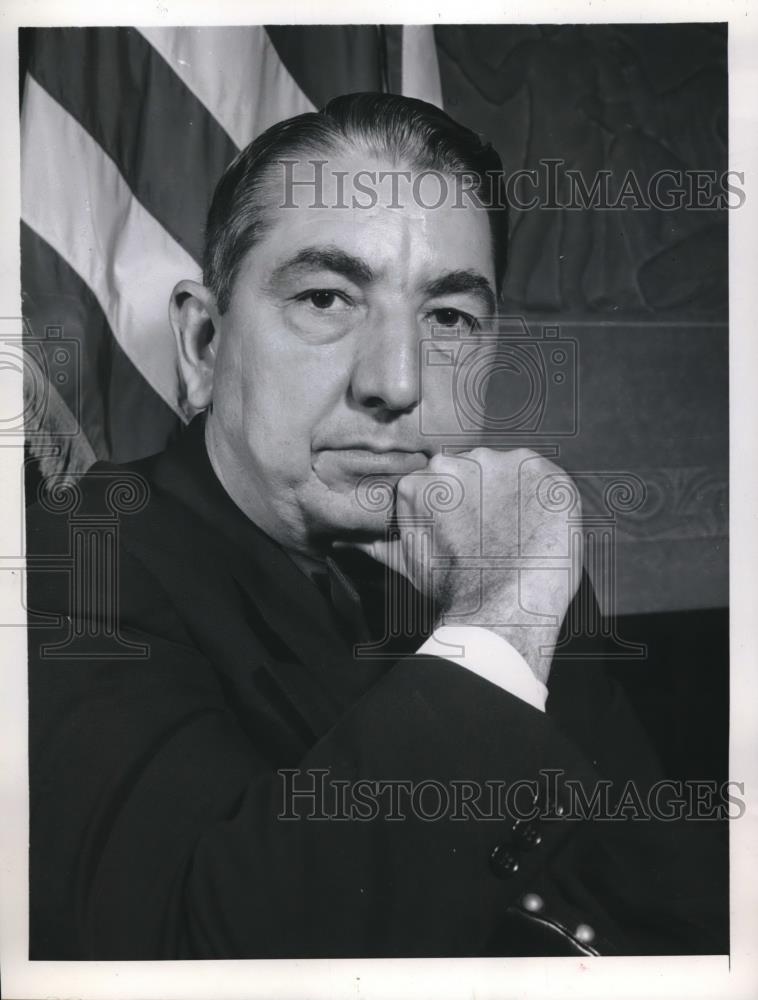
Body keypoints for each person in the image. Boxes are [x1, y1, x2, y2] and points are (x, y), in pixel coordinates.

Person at [26, 93, 727, 959]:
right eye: (326, 298)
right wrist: (502, 615)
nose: (398, 383)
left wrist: (519, 597)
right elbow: (206, 955)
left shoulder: (460, 576)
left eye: (449, 317)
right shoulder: (70, 567)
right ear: (204, 344)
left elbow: (679, 915)